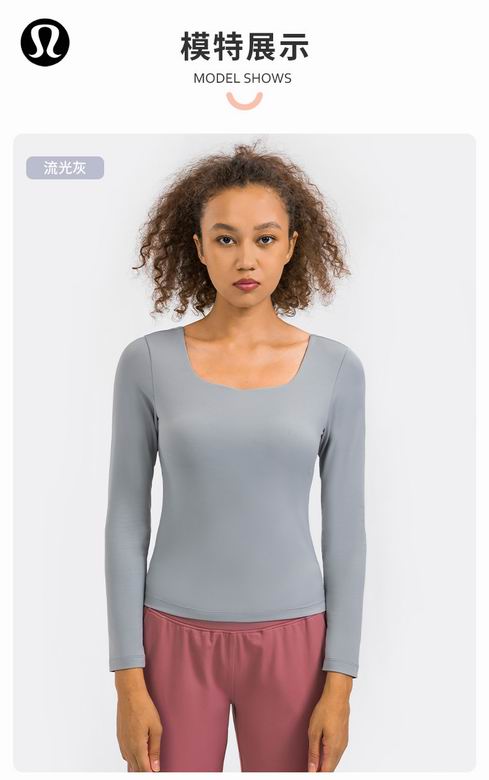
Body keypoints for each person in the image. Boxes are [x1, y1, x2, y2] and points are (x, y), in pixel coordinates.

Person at [104, 140, 367, 772]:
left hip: (294, 641)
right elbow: (125, 523)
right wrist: (127, 680)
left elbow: (347, 535)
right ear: (198, 247)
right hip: (171, 638)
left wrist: (340, 684)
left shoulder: (336, 370)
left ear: (291, 245)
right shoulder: (146, 363)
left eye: (265, 239)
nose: (246, 258)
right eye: (225, 239)